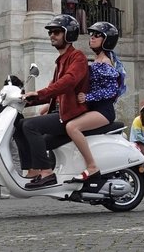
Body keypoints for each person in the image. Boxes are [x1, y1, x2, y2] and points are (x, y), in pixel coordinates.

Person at [20, 14, 89, 189]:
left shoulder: (77, 57)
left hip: (70, 115)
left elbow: (68, 82)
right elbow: (52, 90)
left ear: (69, 34)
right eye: (51, 32)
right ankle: (33, 170)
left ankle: (46, 173)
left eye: (57, 32)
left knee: (29, 125)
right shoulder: (60, 61)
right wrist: (25, 100)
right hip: (61, 114)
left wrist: (39, 93)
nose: (52, 35)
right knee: (19, 124)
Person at [71, 21, 126, 179]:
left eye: (97, 35)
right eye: (91, 35)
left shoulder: (105, 63)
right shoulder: (95, 61)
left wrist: (87, 97)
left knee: (73, 127)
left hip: (103, 111)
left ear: (107, 40)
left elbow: (111, 90)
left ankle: (92, 166)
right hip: (93, 109)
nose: (92, 38)